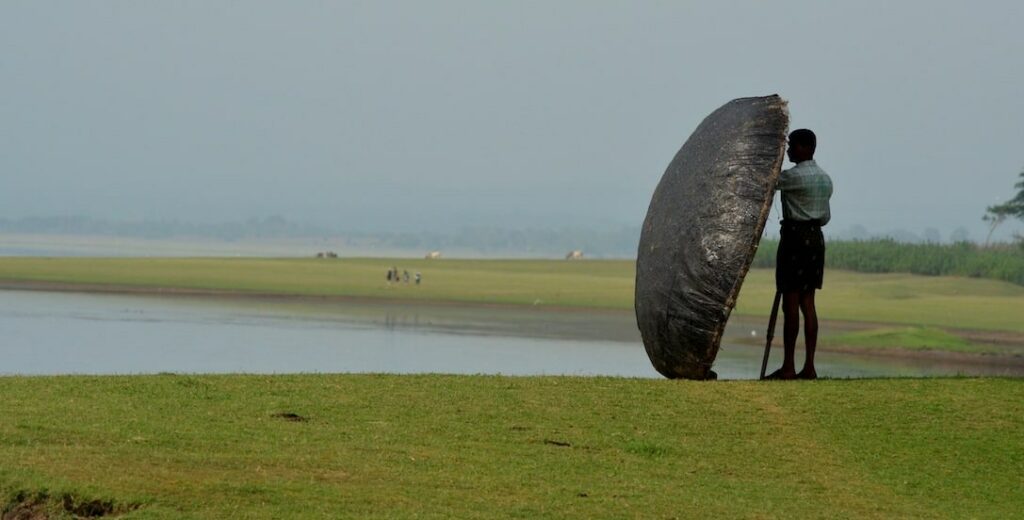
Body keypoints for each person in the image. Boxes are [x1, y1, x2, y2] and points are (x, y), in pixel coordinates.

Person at [767, 128, 833, 380]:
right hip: (816, 239)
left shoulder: (793, 177)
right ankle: (809, 366)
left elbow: (770, 183)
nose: (789, 151)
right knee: (808, 302)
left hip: (795, 238)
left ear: (806, 148)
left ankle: (788, 367)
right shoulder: (826, 179)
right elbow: (825, 216)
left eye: (792, 146)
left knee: (791, 302)